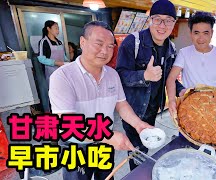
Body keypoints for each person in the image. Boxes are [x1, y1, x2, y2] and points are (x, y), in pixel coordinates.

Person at [49, 21, 153, 180]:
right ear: (82, 42)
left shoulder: (112, 75)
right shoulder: (63, 76)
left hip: (104, 141)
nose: (105, 51)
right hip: (76, 144)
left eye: (110, 46)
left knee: (106, 178)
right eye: (99, 43)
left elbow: (121, 104)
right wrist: (110, 136)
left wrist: (139, 125)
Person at [116, 0, 184, 170]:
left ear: (174, 23)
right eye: (158, 19)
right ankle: (137, 172)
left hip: (153, 108)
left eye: (168, 20)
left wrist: (182, 91)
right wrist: (144, 76)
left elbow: (169, 78)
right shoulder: (133, 42)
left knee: (145, 146)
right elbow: (120, 75)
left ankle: (140, 169)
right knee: (136, 150)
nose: (163, 25)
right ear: (150, 20)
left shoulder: (171, 48)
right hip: (133, 109)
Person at [166, 11, 216, 117]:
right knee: (184, 132)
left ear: (212, 33)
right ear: (191, 33)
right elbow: (171, 78)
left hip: (213, 108)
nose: (201, 38)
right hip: (188, 106)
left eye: (205, 33)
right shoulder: (184, 53)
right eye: (196, 33)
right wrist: (172, 100)